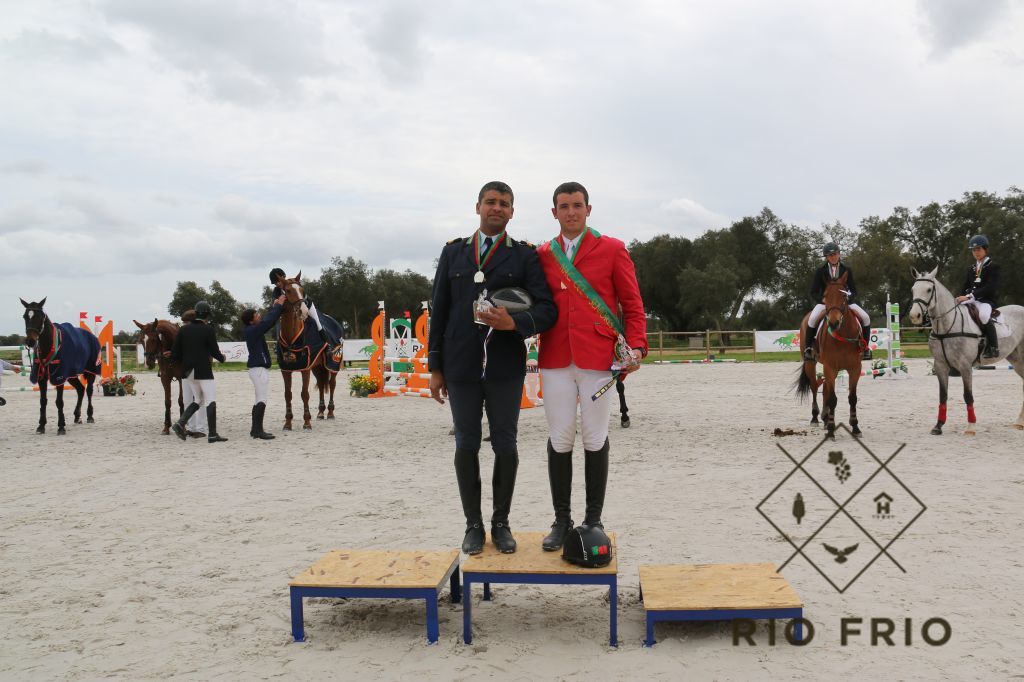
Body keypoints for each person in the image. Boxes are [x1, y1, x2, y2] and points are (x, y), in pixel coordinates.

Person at [429, 180, 557, 555]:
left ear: (512, 212)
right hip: (460, 365)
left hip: (504, 365)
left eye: (504, 203)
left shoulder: (524, 256)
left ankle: (501, 523)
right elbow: (440, 311)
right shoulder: (453, 253)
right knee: (466, 444)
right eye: (490, 202)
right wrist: (435, 367)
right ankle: (473, 525)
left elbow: (547, 309)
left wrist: (515, 324)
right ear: (478, 207)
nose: (496, 208)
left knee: (505, 444)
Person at [535, 181, 648, 551]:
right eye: (564, 206)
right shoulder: (542, 254)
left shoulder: (613, 249)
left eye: (577, 205)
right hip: (554, 358)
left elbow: (632, 304)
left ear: (588, 209)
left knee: (595, 435)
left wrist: (638, 347)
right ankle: (561, 520)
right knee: (560, 436)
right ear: (554, 212)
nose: (571, 211)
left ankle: (593, 520)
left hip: (599, 358)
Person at [803, 243, 872, 362]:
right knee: (812, 319)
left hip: (844, 302)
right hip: (826, 303)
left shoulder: (847, 270)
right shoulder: (820, 271)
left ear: (839, 254)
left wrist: (849, 298)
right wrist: (823, 299)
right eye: (830, 255)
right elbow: (813, 291)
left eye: (834, 254)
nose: (833, 257)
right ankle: (808, 348)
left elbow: (854, 290)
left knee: (866, 317)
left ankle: (865, 348)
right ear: (826, 257)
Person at [171, 300, 228, 443]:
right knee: (210, 400)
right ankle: (213, 434)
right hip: (203, 370)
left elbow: (175, 353)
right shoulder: (208, 329)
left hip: (188, 371)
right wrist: (222, 358)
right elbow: (214, 351)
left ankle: (180, 423)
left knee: (198, 399)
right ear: (207, 315)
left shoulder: (183, 330)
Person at [242, 294, 286, 439]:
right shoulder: (253, 330)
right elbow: (268, 321)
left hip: (257, 369)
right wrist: (278, 306)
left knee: (258, 399)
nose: (259, 316)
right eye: (256, 315)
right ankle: (258, 431)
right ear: (251, 321)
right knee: (262, 399)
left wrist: (275, 307)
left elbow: (268, 321)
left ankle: (255, 430)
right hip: (259, 369)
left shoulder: (252, 330)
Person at [270, 267, 341, 356]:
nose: (277, 284)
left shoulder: (294, 283)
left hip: (306, 305)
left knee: (317, 322)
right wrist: (275, 302)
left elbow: (302, 297)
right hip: (290, 312)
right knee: (279, 326)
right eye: (275, 283)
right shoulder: (277, 290)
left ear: (283, 277)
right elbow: (274, 302)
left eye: (278, 281)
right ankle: (279, 348)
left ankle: (328, 345)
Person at [956, 234, 1001, 359]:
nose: (976, 252)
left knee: (984, 315)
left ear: (985, 249)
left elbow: (990, 287)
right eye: (974, 250)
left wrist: (971, 295)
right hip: (971, 300)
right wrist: (961, 296)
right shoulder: (971, 268)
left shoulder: (993, 266)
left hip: (986, 301)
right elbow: (965, 286)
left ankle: (993, 347)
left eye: (979, 249)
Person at [178, 310, 207, 438]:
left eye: (186, 322)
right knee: (187, 399)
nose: (184, 325)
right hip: (186, 370)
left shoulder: (202, 331)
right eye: (183, 322)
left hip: (199, 369)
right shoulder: (183, 333)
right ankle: (191, 427)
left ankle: (200, 428)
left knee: (200, 399)